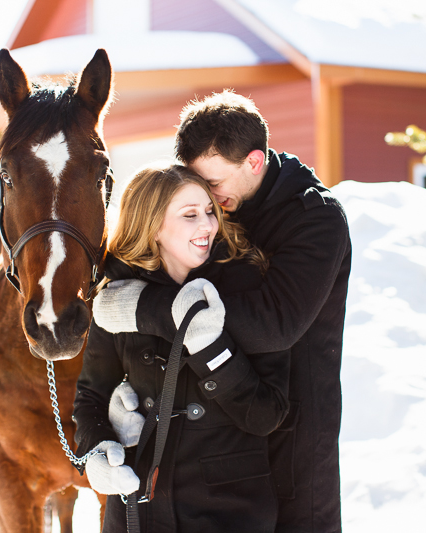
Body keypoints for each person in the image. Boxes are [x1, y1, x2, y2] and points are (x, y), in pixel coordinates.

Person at [95, 91, 352, 532]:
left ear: (254, 162)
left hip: (293, 425)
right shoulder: (218, 205)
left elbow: (274, 326)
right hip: (214, 433)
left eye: (213, 186)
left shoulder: (316, 219)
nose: (208, 205)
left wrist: (145, 308)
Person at [74, 165, 291, 532]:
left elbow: (267, 414)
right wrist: (98, 454)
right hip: (137, 508)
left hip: (229, 509)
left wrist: (211, 348)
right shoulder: (117, 298)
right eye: (190, 215)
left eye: (209, 211)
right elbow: (91, 397)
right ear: (152, 225)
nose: (207, 226)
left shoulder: (248, 287)